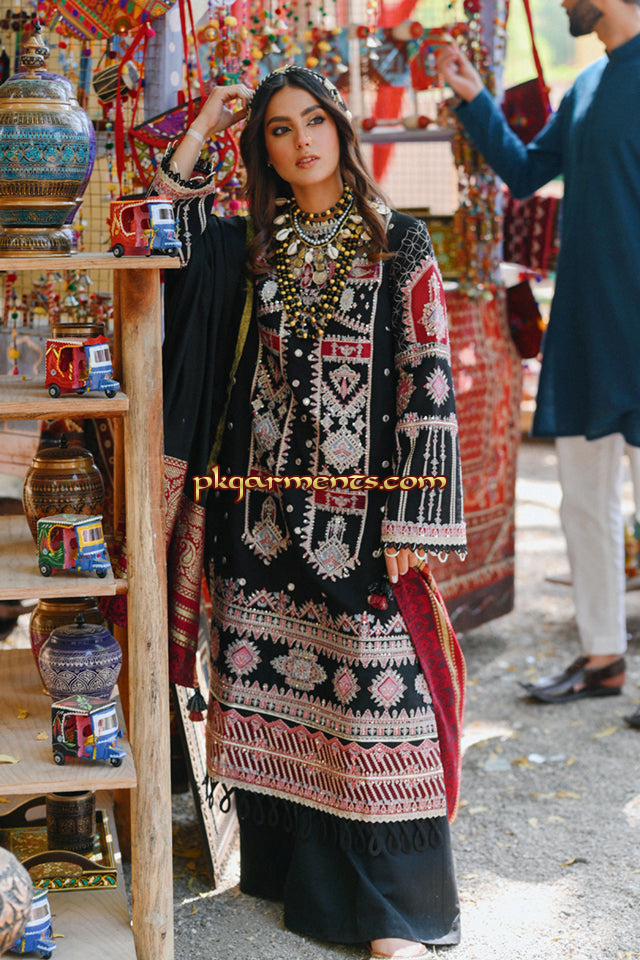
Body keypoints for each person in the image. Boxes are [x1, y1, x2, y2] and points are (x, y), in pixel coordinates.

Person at [157, 66, 467, 959]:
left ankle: (390, 913)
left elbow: (427, 374)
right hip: (259, 517)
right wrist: (206, 122)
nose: (302, 141)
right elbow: (159, 229)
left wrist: (416, 514)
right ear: (264, 149)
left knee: (373, 691)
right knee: (276, 688)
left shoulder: (398, 241)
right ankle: (289, 876)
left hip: (363, 520)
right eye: (280, 129)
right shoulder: (250, 242)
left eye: (314, 121)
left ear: (340, 127)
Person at [437, 0, 640, 713]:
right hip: (586, 328)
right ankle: (603, 656)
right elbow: (525, 173)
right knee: (582, 501)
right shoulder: (590, 83)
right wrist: (475, 101)